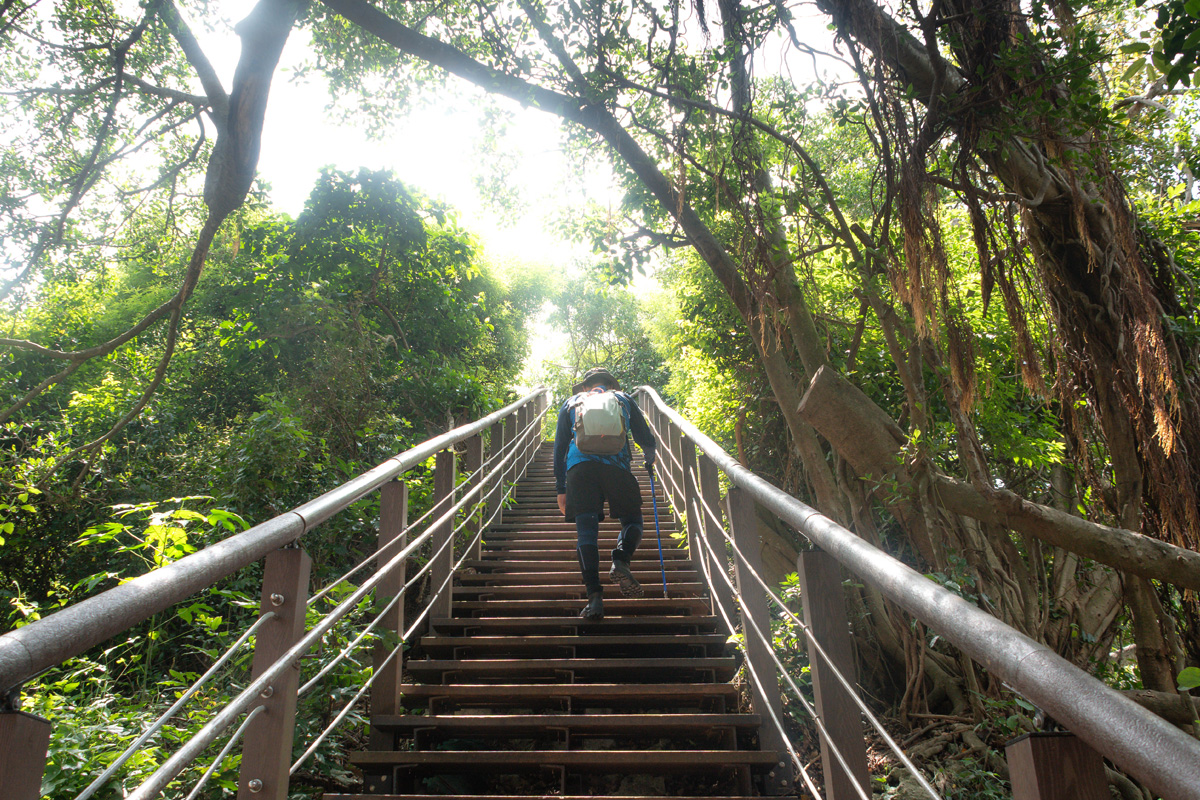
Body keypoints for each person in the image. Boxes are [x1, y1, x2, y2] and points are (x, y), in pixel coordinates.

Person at [554, 367, 657, 620]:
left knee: (586, 533)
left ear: (587, 387)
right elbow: (645, 438)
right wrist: (649, 457)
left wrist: (561, 488)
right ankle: (621, 559)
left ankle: (594, 600)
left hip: (580, 471)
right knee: (633, 521)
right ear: (611, 385)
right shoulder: (623, 399)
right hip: (617, 468)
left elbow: (558, 449)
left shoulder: (572, 402)